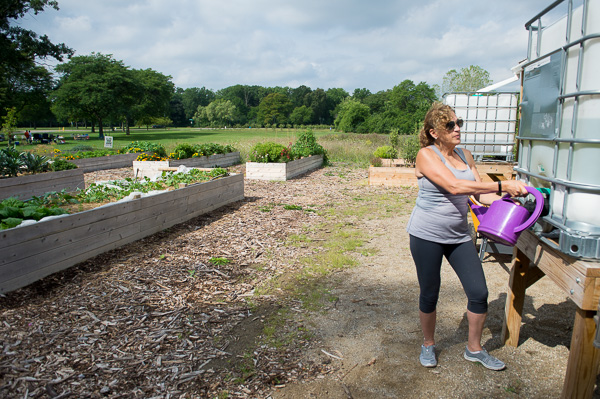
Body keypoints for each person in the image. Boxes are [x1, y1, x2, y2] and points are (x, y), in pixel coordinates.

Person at [406, 102, 529, 371]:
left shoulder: (465, 154)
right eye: (449, 125)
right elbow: (454, 185)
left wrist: (508, 199)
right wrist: (501, 183)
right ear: (434, 132)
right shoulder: (426, 155)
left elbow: (479, 194)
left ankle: (474, 348)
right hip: (426, 234)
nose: (457, 128)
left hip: (459, 235)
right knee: (430, 292)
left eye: (458, 122)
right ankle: (428, 343)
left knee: (479, 292)